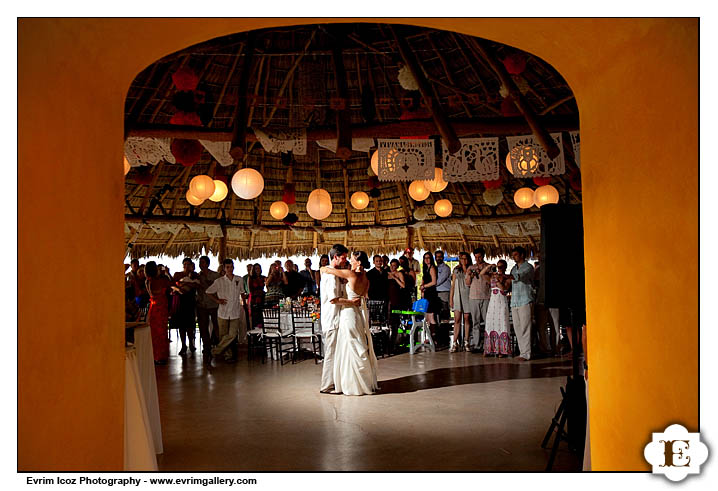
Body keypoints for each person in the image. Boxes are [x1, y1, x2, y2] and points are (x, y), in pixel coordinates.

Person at [320, 251, 379, 396]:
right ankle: (360, 381)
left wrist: (323, 269)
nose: (349, 261)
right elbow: (364, 296)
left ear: (358, 262)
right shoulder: (366, 279)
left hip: (347, 314)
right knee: (356, 346)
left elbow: (327, 269)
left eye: (352, 259)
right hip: (358, 314)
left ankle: (350, 384)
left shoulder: (349, 274)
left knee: (349, 348)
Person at [319, 244, 350, 394]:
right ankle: (326, 385)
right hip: (332, 319)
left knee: (336, 352)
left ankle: (336, 382)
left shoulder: (335, 274)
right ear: (336, 257)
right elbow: (333, 299)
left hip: (335, 319)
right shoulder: (331, 276)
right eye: (343, 257)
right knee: (331, 353)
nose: (345, 260)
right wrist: (352, 302)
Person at [205, 259, 247, 363]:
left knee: (232, 334)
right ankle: (228, 356)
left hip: (235, 311)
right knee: (223, 336)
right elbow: (208, 292)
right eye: (227, 267)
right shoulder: (219, 281)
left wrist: (245, 303)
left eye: (231, 267)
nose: (230, 269)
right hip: (223, 312)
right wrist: (217, 300)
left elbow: (242, 292)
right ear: (224, 268)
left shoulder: (239, 279)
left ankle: (213, 352)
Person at [481, 260, 512, 357]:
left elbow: (504, 289)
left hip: (501, 302)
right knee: (490, 323)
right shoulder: (492, 276)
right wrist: (489, 266)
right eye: (498, 267)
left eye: (501, 267)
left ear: (505, 267)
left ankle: (501, 350)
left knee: (502, 324)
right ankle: (489, 348)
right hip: (492, 303)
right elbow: (482, 274)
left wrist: (498, 281)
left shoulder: (507, 278)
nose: (499, 269)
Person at [510, 246, 535, 361]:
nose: (514, 257)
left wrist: (505, 276)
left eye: (516, 255)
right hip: (515, 300)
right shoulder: (513, 269)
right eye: (513, 255)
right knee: (518, 327)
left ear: (521, 255)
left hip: (525, 299)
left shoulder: (528, 267)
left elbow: (519, 277)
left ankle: (527, 353)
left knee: (525, 327)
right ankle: (522, 352)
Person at [465, 247, 492, 353]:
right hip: (473, 297)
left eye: (479, 256)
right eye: (476, 257)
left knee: (487, 322)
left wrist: (482, 272)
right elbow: (467, 283)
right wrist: (470, 275)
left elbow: (490, 281)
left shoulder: (488, 267)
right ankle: (476, 344)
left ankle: (488, 345)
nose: (477, 259)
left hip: (486, 297)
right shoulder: (471, 267)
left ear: (483, 256)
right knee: (475, 322)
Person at [172, 258, 200, 356]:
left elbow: (197, 285)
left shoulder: (195, 275)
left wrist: (185, 283)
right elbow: (172, 284)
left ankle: (191, 343)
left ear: (192, 265)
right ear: (183, 265)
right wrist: (179, 288)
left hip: (190, 301)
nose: (186, 266)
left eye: (188, 264)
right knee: (181, 325)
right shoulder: (177, 274)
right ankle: (183, 345)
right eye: (185, 264)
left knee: (190, 325)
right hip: (180, 300)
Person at [144, 261, 171, 365]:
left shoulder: (147, 281)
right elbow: (172, 284)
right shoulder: (162, 281)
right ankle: (160, 356)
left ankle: (154, 355)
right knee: (161, 332)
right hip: (161, 307)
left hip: (153, 307)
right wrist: (167, 274)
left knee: (154, 332)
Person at [196, 255, 221, 361]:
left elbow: (219, 287)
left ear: (207, 263)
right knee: (203, 327)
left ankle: (219, 346)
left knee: (217, 326)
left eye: (202, 262)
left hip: (214, 304)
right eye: (199, 262)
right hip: (202, 304)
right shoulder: (197, 276)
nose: (200, 264)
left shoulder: (215, 275)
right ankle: (207, 347)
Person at [449, 252, 472, 352]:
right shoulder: (456, 270)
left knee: (467, 318)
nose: (464, 260)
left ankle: (466, 341)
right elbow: (453, 286)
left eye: (465, 258)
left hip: (468, 295)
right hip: (457, 295)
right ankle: (455, 343)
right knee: (457, 319)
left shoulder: (471, 269)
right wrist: (451, 299)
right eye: (462, 258)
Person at [419, 252, 441, 341]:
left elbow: (434, 282)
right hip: (427, 294)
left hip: (432, 294)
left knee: (431, 317)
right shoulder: (426, 269)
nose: (427, 260)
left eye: (428, 258)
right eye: (425, 258)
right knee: (427, 317)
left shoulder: (432, 268)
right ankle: (430, 337)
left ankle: (433, 338)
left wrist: (424, 286)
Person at [434, 250, 451, 322]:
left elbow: (439, 281)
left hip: (444, 292)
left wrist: (428, 285)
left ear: (443, 257)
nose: (438, 258)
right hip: (436, 292)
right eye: (437, 257)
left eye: (440, 257)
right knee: (437, 313)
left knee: (445, 312)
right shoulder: (434, 268)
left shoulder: (446, 268)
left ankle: (445, 331)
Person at [248, 263, 265, 329]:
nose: (258, 270)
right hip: (254, 299)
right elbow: (250, 290)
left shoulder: (263, 277)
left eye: (259, 268)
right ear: (253, 270)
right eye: (256, 268)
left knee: (262, 316)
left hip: (262, 297)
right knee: (255, 317)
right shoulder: (251, 278)